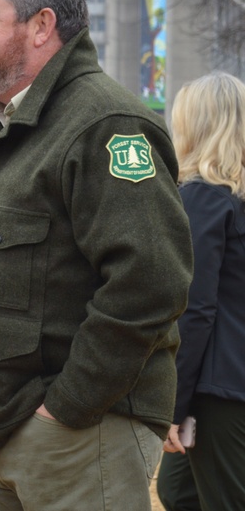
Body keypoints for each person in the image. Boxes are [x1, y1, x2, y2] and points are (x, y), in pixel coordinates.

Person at [0, 0, 193, 510]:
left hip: (79, 436)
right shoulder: (11, 123)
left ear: (42, 25)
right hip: (4, 435)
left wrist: (64, 411)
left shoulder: (106, 124)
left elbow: (150, 283)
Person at [157, 72, 245, 510]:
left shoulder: (203, 198)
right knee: (177, 490)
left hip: (219, 389)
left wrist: (172, 404)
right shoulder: (233, 197)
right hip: (228, 382)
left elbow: (194, 309)